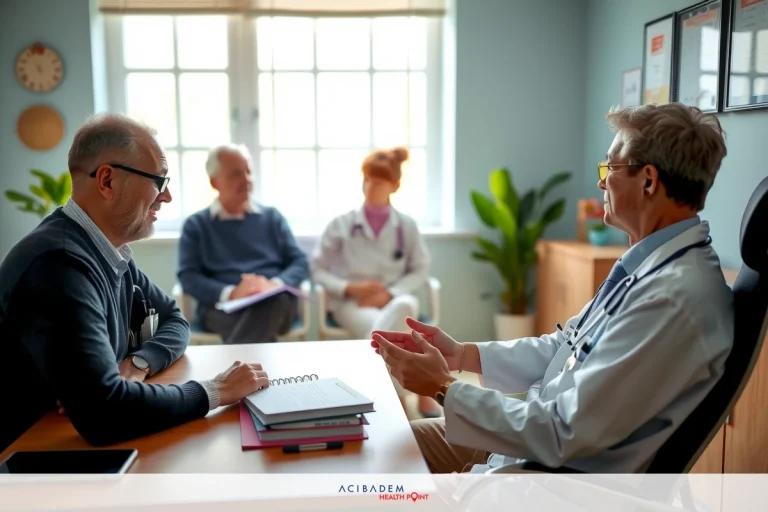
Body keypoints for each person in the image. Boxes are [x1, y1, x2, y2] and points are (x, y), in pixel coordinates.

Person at [371, 103, 733, 473]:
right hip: (524, 444)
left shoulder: (672, 299)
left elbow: (565, 432)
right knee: (385, 447)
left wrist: (443, 387)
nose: (601, 182)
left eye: (610, 167)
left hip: (549, 478)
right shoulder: (649, 266)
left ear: (649, 181)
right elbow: (564, 346)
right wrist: (460, 355)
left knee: (372, 473)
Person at [0, 114, 271, 452]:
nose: (167, 196)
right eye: (158, 180)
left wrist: (138, 363)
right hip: (29, 463)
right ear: (107, 181)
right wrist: (216, 390)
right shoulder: (59, 264)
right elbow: (105, 412)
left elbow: (173, 318)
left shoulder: (110, 253)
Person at [312, 146, 440, 416]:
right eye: (367, 178)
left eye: (379, 181)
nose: (370, 185)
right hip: (353, 305)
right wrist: (350, 288)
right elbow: (317, 268)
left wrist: (390, 294)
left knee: (405, 305)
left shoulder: (406, 226)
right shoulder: (342, 224)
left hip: (393, 300)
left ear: (394, 186)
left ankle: (399, 397)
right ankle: (415, 395)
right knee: (391, 331)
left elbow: (420, 269)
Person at [177, 144, 309, 344]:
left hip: (274, 302)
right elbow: (188, 276)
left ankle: (234, 373)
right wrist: (231, 293)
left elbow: (300, 262)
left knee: (275, 301)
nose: (246, 180)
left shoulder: (272, 218)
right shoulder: (197, 225)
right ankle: (262, 374)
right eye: (236, 174)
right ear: (214, 182)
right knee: (257, 324)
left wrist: (274, 284)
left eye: (248, 172)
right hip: (223, 307)